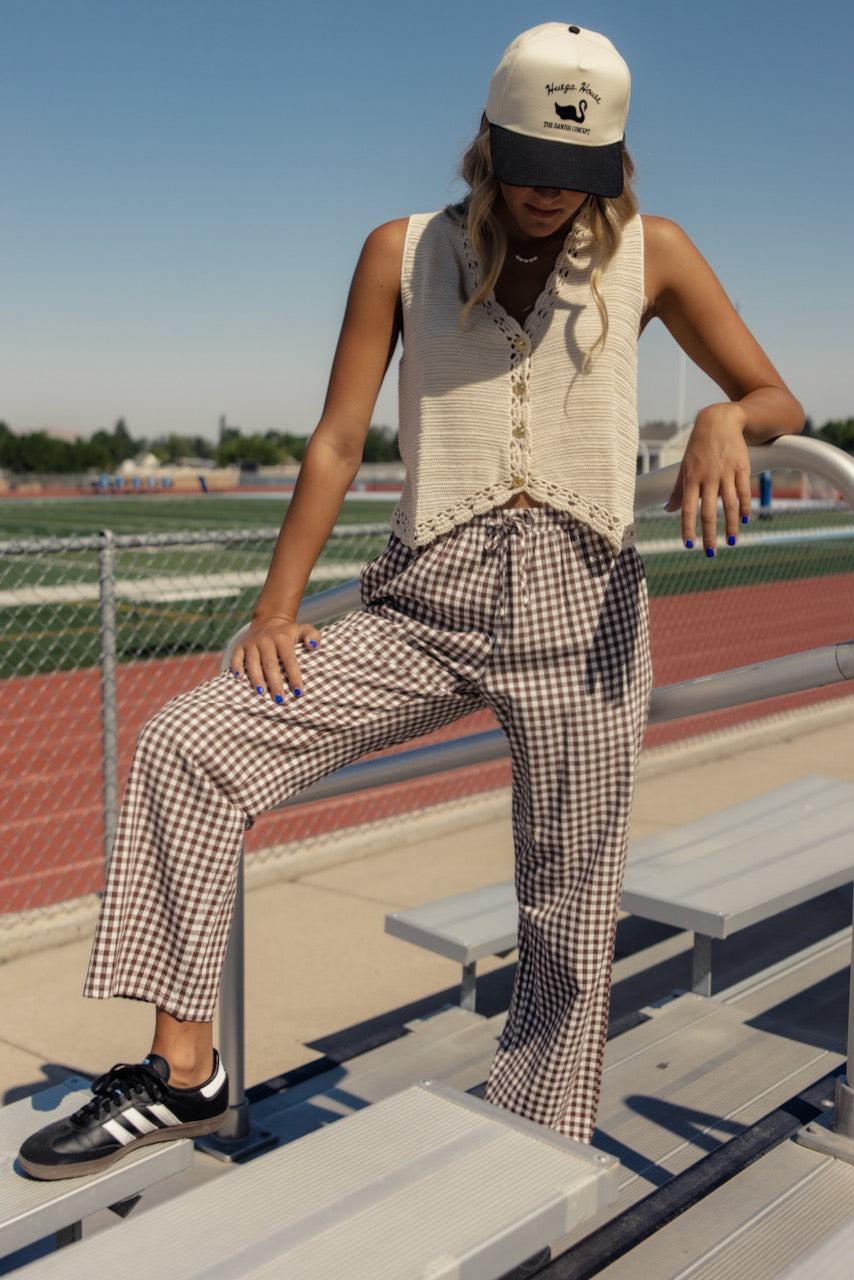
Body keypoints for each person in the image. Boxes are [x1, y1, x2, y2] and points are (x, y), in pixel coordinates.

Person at [20, 23, 803, 1179]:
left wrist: (722, 419)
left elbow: (771, 391)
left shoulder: (656, 251)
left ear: (615, 167)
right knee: (190, 742)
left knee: (565, 906)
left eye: (577, 174)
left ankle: (535, 1152)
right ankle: (185, 1070)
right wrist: (277, 608)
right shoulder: (397, 249)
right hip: (418, 603)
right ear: (485, 141)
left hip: (582, 620)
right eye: (531, 160)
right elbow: (338, 436)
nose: (548, 192)